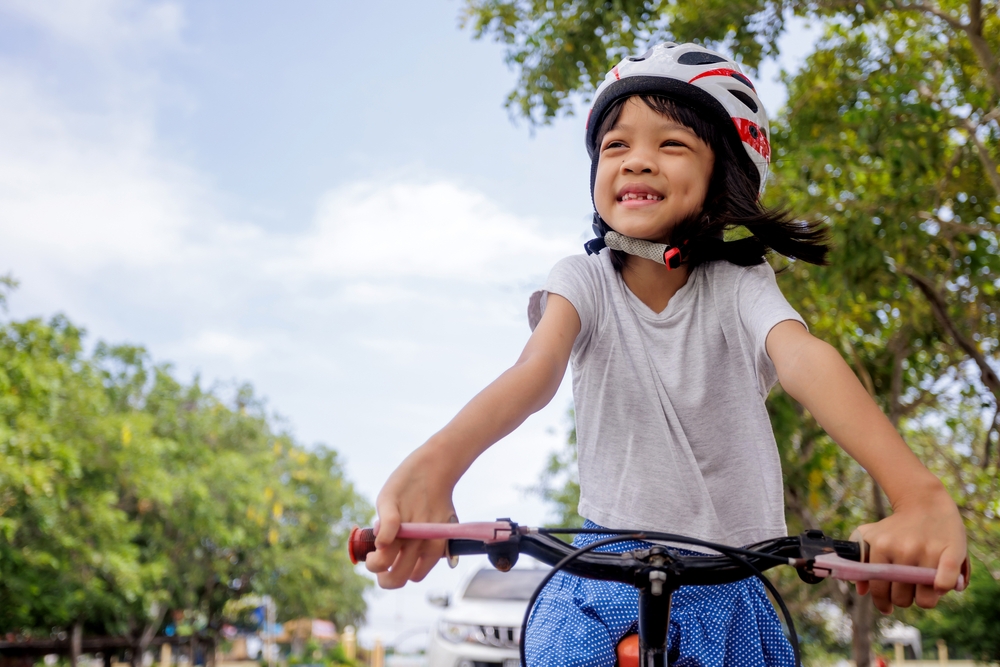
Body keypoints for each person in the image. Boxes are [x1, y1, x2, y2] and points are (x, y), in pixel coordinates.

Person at [364, 42, 967, 666]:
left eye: (671, 144)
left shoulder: (741, 284)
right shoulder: (583, 279)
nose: (637, 162)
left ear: (723, 178)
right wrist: (436, 467)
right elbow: (533, 374)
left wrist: (916, 495)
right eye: (616, 145)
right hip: (600, 578)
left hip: (728, 583)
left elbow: (804, 361)